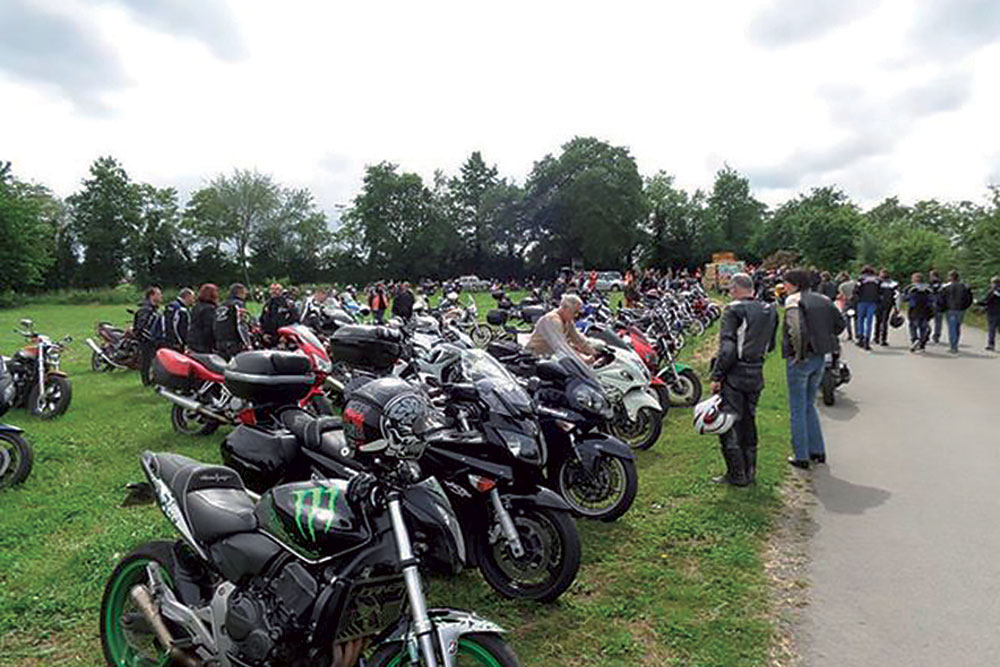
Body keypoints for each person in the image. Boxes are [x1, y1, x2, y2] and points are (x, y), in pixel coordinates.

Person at [709, 273, 777, 486]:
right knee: (749, 421)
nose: (729, 293)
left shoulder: (733, 310)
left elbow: (728, 348)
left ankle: (736, 475)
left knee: (729, 423)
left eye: (730, 289)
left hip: (736, 374)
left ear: (736, 289)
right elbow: (771, 344)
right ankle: (750, 471)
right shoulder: (769, 310)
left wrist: (717, 375)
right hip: (756, 371)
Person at [782, 268, 845, 469]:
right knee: (810, 405)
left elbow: (796, 329)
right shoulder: (824, 299)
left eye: (786, 283)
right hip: (820, 356)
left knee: (797, 408)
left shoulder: (793, 301)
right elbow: (840, 324)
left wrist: (798, 354)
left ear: (794, 284)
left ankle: (801, 455)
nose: (784, 287)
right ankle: (818, 451)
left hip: (801, 358)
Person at [525, 293, 596, 362]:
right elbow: (561, 346)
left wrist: (593, 352)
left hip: (550, 357)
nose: (576, 315)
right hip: (536, 357)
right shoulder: (552, 320)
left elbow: (578, 339)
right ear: (565, 308)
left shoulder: (567, 321)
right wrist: (583, 359)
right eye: (575, 312)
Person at [133, 286, 164, 385]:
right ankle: (147, 382)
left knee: (154, 361)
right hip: (147, 341)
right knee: (146, 361)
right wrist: (149, 338)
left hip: (152, 340)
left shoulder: (153, 309)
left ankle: (153, 379)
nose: (161, 297)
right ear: (152, 296)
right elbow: (142, 326)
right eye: (158, 294)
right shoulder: (146, 310)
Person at [214, 283, 252, 359]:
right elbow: (241, 324)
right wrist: (248, 344)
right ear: (239, 293)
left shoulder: (222, 305)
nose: (245, 295)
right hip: (233, 342)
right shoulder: (238, 304)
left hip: (219, 341)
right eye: (244, 293)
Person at [940, 270, 973, 354]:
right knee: (957, 327)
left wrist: (942, 308)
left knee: (951, 328)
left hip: (950, 310)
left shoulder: (946, 287)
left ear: (950, 277)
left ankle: (953, 346)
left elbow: (942, 299)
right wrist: (965, 307)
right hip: (961, 310)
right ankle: (955, 344)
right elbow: (969, 299)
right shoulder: (965, 287)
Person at [904, 273, 933, 352]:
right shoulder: (928, 288)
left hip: (914, 310)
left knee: (912, 326)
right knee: (923, 327)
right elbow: (932, 299)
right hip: (926, 310)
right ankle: (922, 345)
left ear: (913, 279)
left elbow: (905, 298)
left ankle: (914, 339)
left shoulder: (910, 287)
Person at [187, 284, 219, 354]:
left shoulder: (196, 306)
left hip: (193, 341)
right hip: (203, 345)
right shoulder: (210, 309)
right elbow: (209, 328)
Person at [854, 266, 880, 350]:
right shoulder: (877, 280)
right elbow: (880, 291)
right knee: (869, 321)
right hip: (873, 302)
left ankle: (861, 338)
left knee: (860, 320)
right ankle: (867, 340)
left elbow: (856, 290)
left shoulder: (860, 279)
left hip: (862, 301)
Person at [873, 269, 900, 347]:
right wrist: (896, 307)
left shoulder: (876, 282)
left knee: (879, 321)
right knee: (883, 321)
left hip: (880, 304)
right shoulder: (893, 283)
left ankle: (877, 338)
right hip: (887, 304)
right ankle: (882, 339)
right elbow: (897, 296)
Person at [979, 276, 1000, 351]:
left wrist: (977, 302)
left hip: (992, 312)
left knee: (992, 329)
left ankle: (991, 344)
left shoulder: (992, 292)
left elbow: (986, 301)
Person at [836, 272, 856, 341]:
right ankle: (858, 334)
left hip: (847, 303)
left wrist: (837, 297)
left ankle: (850, 335)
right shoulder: (854, 283)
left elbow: (842, 295)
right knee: (856, 318)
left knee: (847, 319)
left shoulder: (842, 286)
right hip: (855, 303)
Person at [928, 270, 944, 344]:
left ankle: (928, 333)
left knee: (926, 321)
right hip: (939, 305)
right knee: (938, 322)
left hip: (930, 305)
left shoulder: (929, 284)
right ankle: (936, 335)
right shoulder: (942, 285)